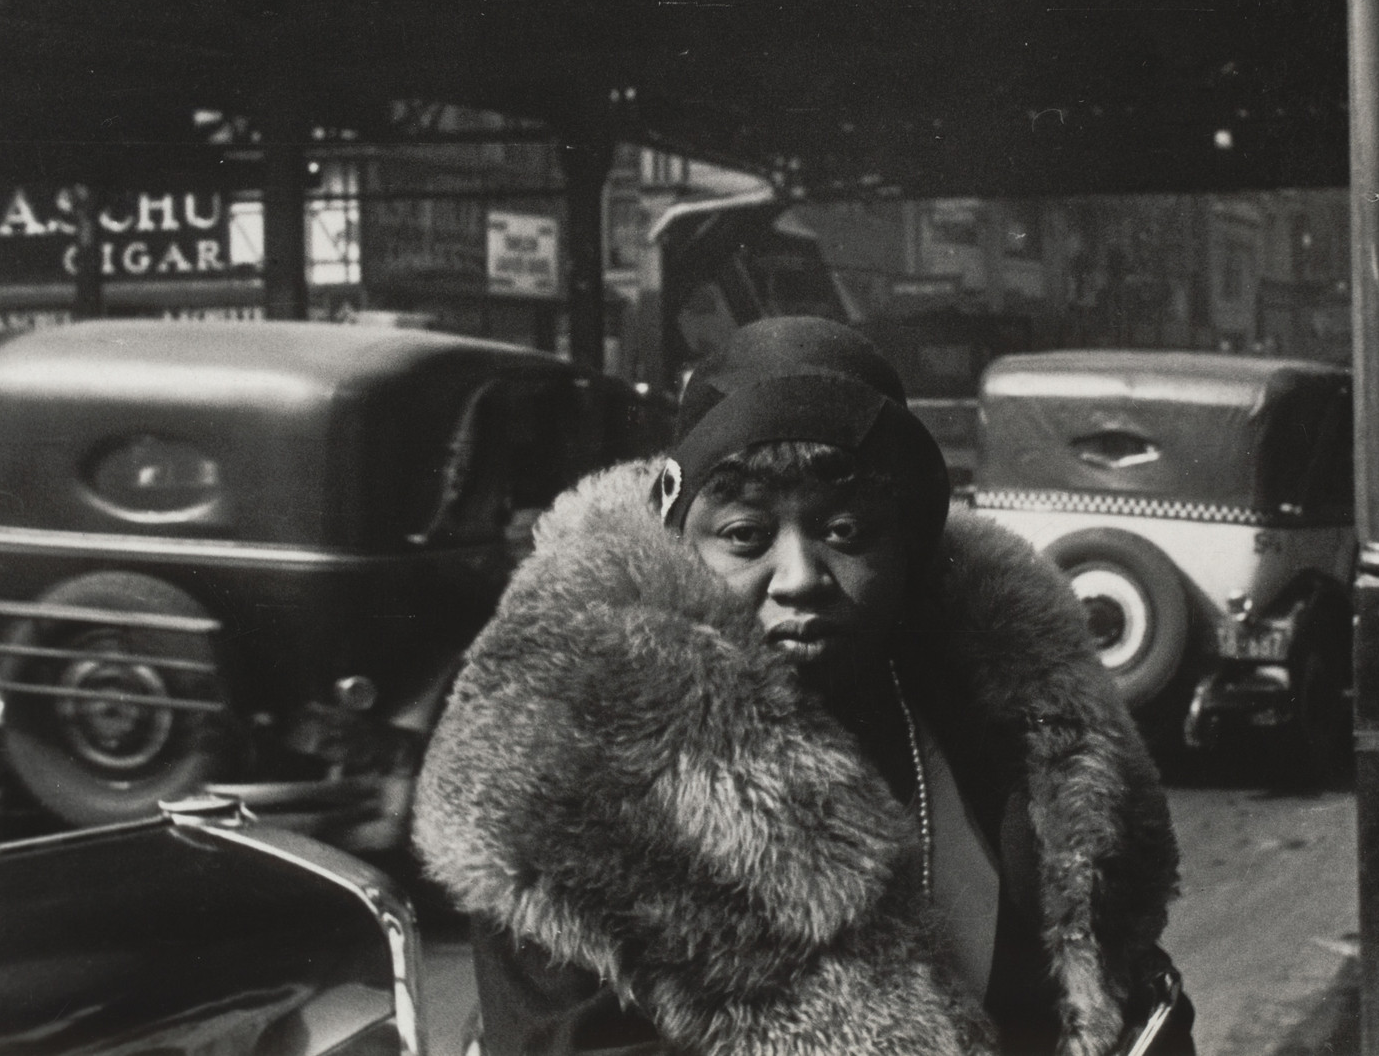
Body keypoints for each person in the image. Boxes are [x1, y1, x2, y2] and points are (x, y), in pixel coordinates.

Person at [416, 316, 1190, 1056]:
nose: (799, 578)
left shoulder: (1010, 732)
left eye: (846, 532)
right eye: (746, 536)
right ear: (676, 548)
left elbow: (1124, 992)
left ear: (910, 547)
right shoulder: (561, 768)